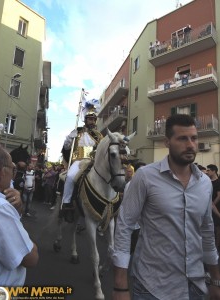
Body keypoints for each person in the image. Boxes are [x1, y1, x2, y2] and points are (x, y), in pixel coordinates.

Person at [112, 114, 220, 300]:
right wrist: (120, 286)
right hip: (151, 287)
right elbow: (124, 226)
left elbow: (207, 232)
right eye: (182, 138)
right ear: (167, 142)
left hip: (195, 285)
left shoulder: (205, 183)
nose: (190, 145)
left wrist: (216, 280)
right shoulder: (145, 177)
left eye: (194, 138)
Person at [0, 144, 38, 286]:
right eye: (12, 169)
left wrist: (17, 208)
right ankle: (66, 202)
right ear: (2, 172)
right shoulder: (0, 208)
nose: (13, 175)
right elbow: (31, 258)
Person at [61, 111, 103, 222]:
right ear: (85, 120)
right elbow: (66, 147)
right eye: (90, 119)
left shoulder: (98, 135)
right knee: (70, 177)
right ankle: (66, 203)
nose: (92, 122)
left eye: (94, 119)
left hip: (93, 162)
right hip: (78, 161)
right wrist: (70, 138)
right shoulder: (77, 131)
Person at [206, 164, 220, 251]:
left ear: (214, 171)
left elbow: (219, 196)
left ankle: (216, 247)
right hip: (208, 208)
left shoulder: (218, 182)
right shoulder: (207, 181)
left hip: (216, 207)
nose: (207, 172)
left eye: (208, 170)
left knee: (217, 228)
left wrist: (212, 205)